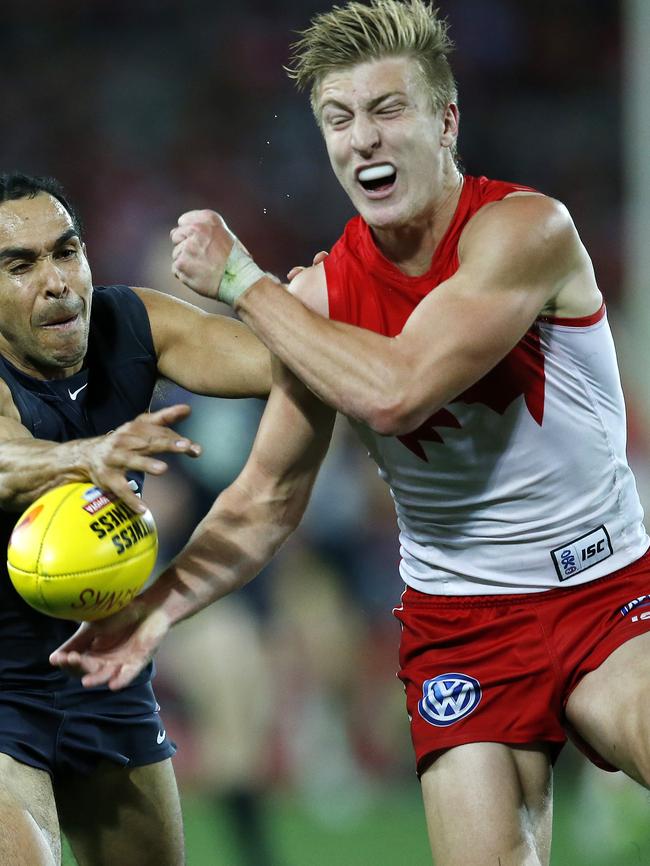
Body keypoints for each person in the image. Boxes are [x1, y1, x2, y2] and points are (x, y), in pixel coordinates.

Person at [51, 1, 650, 864]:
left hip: (603, 594)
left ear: (446, 121)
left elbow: (399, 392)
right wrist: (153, 609)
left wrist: (242, 281)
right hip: (459, 625)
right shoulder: (318, 304)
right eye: (338, 119)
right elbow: (265, 499)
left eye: (386, 109)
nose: (361, 138)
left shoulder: (525, 230)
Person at [0, 172, 270, 866]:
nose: (56, 281)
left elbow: (284, 363)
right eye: (20, 265)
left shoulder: (131, 324)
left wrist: (275, 296)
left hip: (104, 673)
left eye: (66, 252)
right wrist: (92, 453)